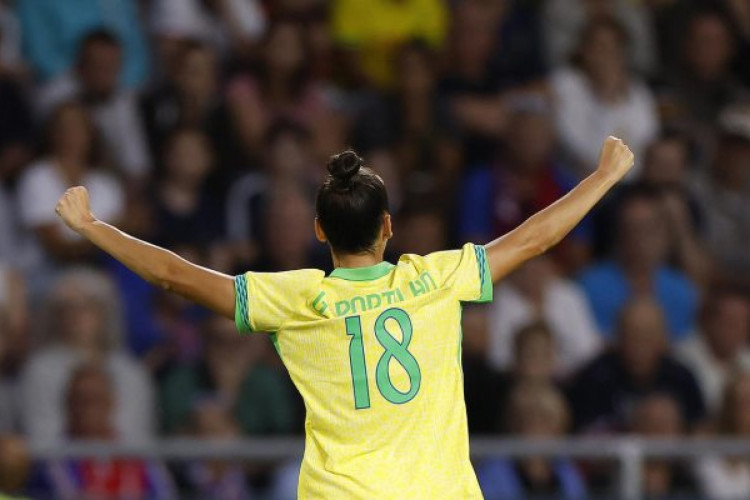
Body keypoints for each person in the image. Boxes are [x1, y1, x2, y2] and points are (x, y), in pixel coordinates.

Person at [54, 136, 634, 498]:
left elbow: (173, 276)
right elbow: (534, 239)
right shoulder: (431, 280)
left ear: (318, 231)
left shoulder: (299, 299)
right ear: (388, 227)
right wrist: (603, 176)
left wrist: (92, 226)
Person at [19, 268, 155, 447]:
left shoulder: (130, 371)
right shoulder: (40, 370)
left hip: (120, 465)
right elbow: (42, 434)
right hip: (61, 466)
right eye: (67, 309)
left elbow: (135, 434)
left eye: (87, 307)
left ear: (104, 313)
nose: (77, 317)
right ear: (56, 316)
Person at [34, 364, 175, 499]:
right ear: (68, 404)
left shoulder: (138, 456)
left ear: (111, 401)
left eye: (95, 398)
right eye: (80, 399)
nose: (88, 407)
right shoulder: (53, 460)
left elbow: (164, 494)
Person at [567, 298, 705, 433]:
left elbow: (700, 430)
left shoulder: (682, 379)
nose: (639, 345)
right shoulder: (594, 378)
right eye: (631, 334)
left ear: (664, 339)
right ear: (617, 337)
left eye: (648, 336)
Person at [36, 30, 151, 180]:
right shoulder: (52, 97)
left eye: (110, 67)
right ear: (80, 64)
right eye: (98, 66)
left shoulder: (126, 103)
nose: (104, 74)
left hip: (107, 184)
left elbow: (137, 166)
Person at [476, 381, 588, 499]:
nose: (533, 426)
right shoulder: (493, 472)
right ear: (511, 424)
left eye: (544, 420)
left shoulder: (568, 474)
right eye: (525, 418)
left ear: (559, 426)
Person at [678, 290, 750, 411]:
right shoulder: (682, 360)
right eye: (729, 321)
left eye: (741, 322)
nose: (735, 329)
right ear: (709, 322)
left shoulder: (747, 359)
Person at [629, 394, 699, 499]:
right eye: (651, 424)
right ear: (636, 428)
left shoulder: (689, 482)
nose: (660, 433)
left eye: (666, 424)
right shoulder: (615, 480)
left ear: (680, 430)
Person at [695, 372, 750, 499]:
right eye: (740, 402)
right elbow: (716, 490)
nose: (746, 409)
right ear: (728, 407)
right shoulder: (707, 448)